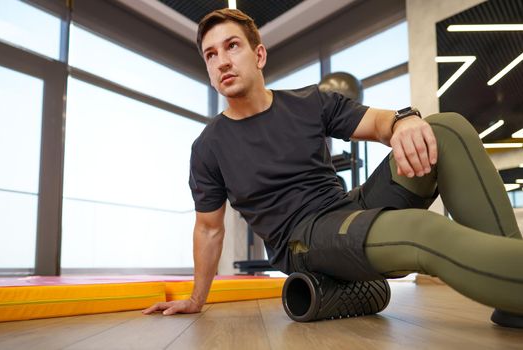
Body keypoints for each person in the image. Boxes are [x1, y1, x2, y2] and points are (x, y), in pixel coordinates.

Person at [143, 8, 523, 328]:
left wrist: (404, 121)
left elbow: (379, 123)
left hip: (349, 207)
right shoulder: (208, 147)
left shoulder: (310, 102)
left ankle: (511, 300)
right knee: (422, 230)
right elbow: (209, 229)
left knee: (445, 127)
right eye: (210, 55)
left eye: (232, 46)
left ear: (258, 55)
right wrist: (196, 298)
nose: (221, 60)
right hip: (302, 238)